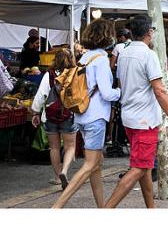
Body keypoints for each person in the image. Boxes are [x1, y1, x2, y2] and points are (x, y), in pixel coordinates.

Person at [104, 15, 168, 208]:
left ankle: (151, 208)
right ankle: (106, 209)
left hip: (129, 116)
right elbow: (160, 90)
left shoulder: (124, 53)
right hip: (144, 120)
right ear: (149, 32)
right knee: (139, 167)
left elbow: (121, 83)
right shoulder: (148, 55)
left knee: (145, 166)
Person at [53, 19, 121, 208]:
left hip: (81, 114)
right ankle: (57, 206)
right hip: (96, 117)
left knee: (96, 165)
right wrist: (121, 92)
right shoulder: (100, 60)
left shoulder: (84, 58)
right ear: (106, 37)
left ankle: (102, 208)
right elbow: (107, 93)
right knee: (90, 165)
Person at [31, 49, 78, 189]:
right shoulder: (75, 74)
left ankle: (57, 177)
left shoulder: (49, 75)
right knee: (70, 146)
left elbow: (40, 96)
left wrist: (35, 113)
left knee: (54, 147)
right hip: (69, 115)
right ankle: (64, 171)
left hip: (50, 115)